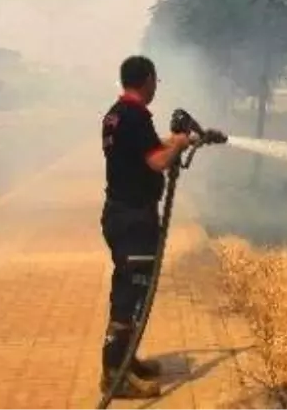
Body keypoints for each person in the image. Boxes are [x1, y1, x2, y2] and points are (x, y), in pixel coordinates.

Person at [99, 55, 193, 399]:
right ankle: (115, 376)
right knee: (129, 295)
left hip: (121, 214)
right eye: (156, 79)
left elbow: (146, 151)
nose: (157, 85)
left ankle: (126, 361)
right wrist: (179, 145)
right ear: (148, 79)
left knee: (131, 289)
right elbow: (155, 162)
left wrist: (175, 141)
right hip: (134, 218)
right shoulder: (136, 116)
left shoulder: (116, 114)